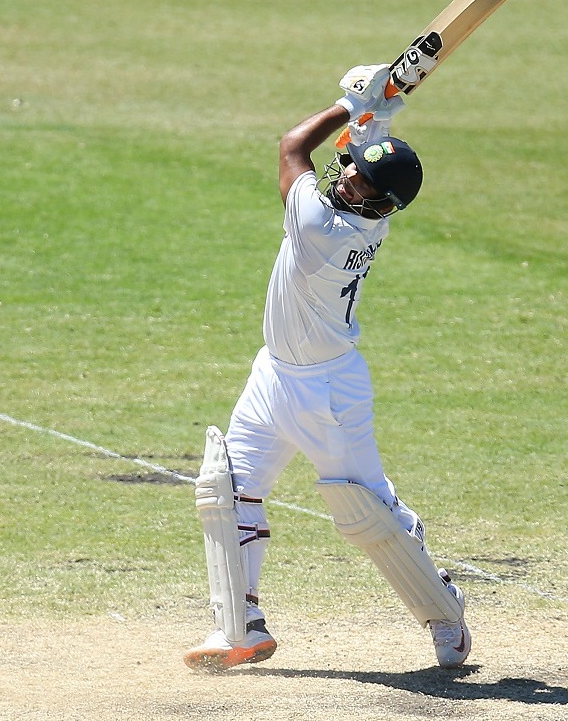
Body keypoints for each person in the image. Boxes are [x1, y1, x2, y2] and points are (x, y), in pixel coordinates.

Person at [184, 64, 471, 672]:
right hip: (274, 375)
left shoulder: (321, 226)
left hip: (329, 391)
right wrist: (379, 114)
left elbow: (293, 146)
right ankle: (241, 625)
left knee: (366, 514)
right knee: (229, 490)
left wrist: (349, 104)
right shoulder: (369, 213)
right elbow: (358, 161)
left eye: (364, 186)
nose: (349, 185)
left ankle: (444, 611)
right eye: (353, 175)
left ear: (381, 204)